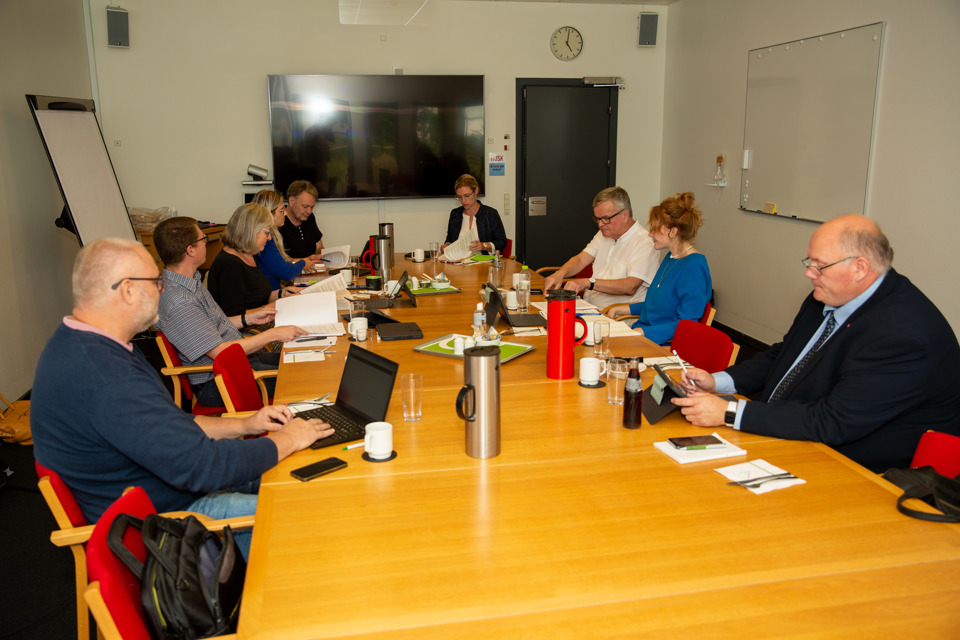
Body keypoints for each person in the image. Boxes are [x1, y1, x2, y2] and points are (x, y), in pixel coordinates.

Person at [30, 238, 334, 557]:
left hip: (168, 491)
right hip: (165, 528)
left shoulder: (84, 345)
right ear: (128, 290)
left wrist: (245, 424)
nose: (163, 290)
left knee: (313, 475)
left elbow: (171, 425)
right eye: (157, 281)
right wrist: (285, 440)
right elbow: (204, 467)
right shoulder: (106, 375)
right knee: (306, 507)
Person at [673, 214, 960, 473]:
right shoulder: (828, 294)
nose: (809, 273)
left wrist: (729, 412)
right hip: (797, 431)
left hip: (861, 471)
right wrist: (717, 382)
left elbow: (834, 421)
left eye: (820, 266)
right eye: (809, 262)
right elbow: (784, 355)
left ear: (860, 268)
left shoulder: (904, 335)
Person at [154, 216, 309, 407]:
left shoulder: (189, 281)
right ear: (190, 250)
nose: (207, 242)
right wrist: (273, 334)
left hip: (238, 364)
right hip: (219, 381)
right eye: (203, 239)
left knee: (311, 358)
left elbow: (212, 326)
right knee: (308, 376)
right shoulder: (180, 301)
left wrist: (249, 318)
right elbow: (221, 354)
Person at [604, 192, 712, 344]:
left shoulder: (694, 267)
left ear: (673, 232)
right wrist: (620, 309)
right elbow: (657, 305)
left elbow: (687, 325)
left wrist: (642, 332)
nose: (649, 234)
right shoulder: (670, 257)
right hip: (643, 335)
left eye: (654, 229)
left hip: (660, 344)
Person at [543, 186, 659, 309]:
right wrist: (560, 273)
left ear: (625, 215)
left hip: (616, 316)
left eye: (606, 218)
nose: (600, 224)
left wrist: (588, 283)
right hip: (589, 307)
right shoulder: (605, 233)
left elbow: (630, 286)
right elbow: (581, 259)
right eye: (597, 219)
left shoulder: (644, 242)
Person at [207, 203, 295, 317]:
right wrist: (277, 304)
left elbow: (256, 296)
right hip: (246, 331)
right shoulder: (229, 264)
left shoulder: (247, 254)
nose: (269, 238)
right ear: (252, 231)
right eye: (267, 233)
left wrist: (282, 293)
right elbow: (234, 315)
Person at [252, 189, 319, 291]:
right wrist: (303, 263)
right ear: (268, 212)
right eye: (281, 210)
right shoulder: (265, 240)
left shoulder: (267, 236)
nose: (285, 214)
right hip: (271, 297)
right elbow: (287, 273)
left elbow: (279, 263)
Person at [442, 174, 507, 255]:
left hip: (483, 264)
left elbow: (502, 242)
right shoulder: (455, 214)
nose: (463, 200)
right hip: (459, 263)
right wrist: (446, 245)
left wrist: (484, 246)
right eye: (459, 197)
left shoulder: (490, 214)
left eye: (467, 195)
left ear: (475, 191)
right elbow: (450, 240)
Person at [279, 180, 323, 258]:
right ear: (292, 201)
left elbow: (319, 247)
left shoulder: (310, 217)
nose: (309, 211)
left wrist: (321, 255)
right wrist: (305, 262)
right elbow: (279, 262)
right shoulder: (279, 221)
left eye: (312, 207)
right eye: (305, 207)